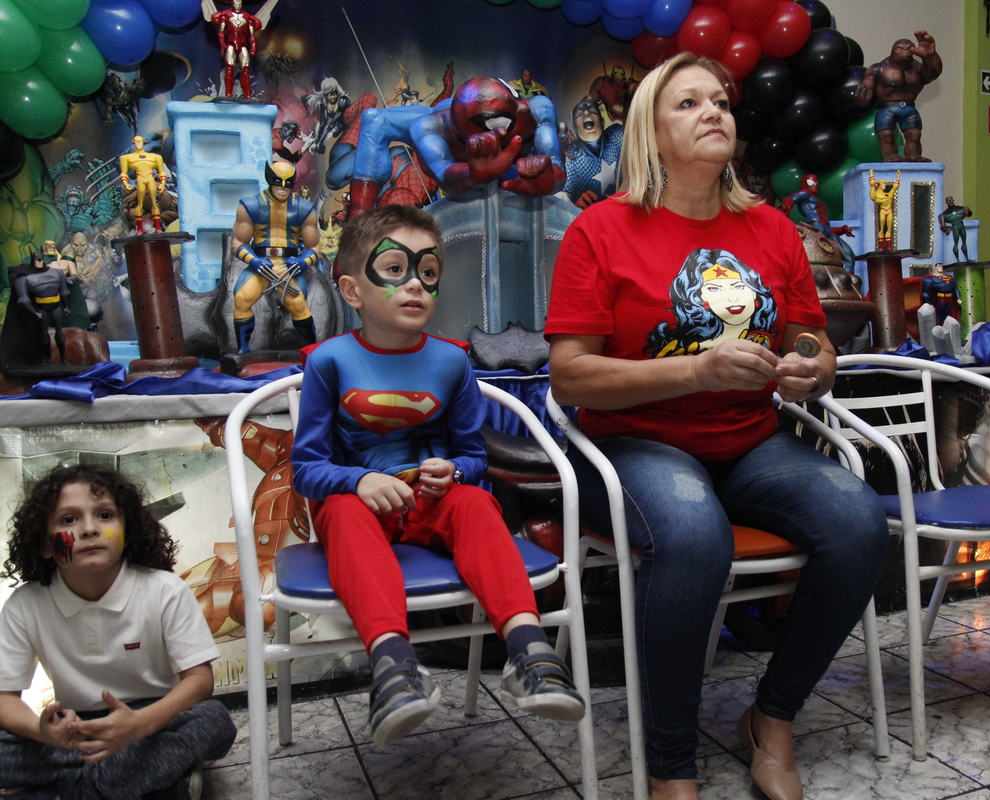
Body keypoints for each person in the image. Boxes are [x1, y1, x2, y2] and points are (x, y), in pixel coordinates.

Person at [545, 53, 889, 800]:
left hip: (749, 441)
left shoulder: (771, 229)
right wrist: (695, 372)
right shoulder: (599, 230)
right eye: (689, 103)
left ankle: (771, 717)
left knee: (860, 520)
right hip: (632, 445)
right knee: (695, 533)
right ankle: (672, 766)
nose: (713, 113)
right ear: (650, 131)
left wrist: (811, 368)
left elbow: (811, 340)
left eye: (721, 102)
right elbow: (569, 376)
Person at [291, 204, 586, 747]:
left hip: (431, 503)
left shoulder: (452, 362)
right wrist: (357, 482)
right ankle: (394, 668)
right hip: (360, 509)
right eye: (395, 269)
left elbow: (474, 458)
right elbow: (306, 470)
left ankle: (529, 652)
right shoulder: (328, 362)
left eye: (427, 273)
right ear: (352, 291)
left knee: (475, 502)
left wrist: (453, 470)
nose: (415, 285)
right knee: (343, 510)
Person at [0, 464, 236, 799]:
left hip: (154, 721)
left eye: (105, 515)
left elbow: (199, 681)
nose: (89, 529)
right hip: (75, 731)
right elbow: (4, 699)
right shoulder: (24, 604)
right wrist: (43, 733)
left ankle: (69, 788)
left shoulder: (164, 590)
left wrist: (139, 725)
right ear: (44, 544)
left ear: (128, 530)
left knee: (212, 720)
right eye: (68, 519)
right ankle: (144, 782)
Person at [230, 161, 321, 353]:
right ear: (269, 179)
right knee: (242, 299)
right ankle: (243, 350)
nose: (282, 187)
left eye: (288, 183)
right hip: (261, 264)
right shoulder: (251, 205)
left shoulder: (303, 209)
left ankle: (313, 348)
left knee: (298, 305)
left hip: (288, 265)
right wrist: (253, 260)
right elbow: (238, 243)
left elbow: (314, 248)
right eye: (278, 181)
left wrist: (303, 262)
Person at [854, 31, 943, 162]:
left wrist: (930, 56)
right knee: (887, 135)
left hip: (909, 107)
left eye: (909, 48)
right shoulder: (878, 69)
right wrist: (862, 99)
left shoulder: (918, 69)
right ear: (893, 51)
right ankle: (890, 156)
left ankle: (914, 156)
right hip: (886, 108)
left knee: (914, 135)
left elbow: (933, 74)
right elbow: (864, 95)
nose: (905, 51)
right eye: (900, 48)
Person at [118, 136, 169, 234]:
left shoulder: (155, 157)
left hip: (150, 179)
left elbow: (161, 172)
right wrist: (125, 183)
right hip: (140, 179)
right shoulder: (126, 158)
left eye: (140, 142)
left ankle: (158, 228)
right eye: (136, 142)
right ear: (133, 142)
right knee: (140, 204)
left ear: (144, 142)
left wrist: (162, 183)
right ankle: (140, 229)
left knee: (154, 203)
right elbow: (123, 173)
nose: (138, 144)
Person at [868, 168, 901, 251]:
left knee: (889, 229)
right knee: (882, 229)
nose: (884, 185)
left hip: (889, 211)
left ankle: (889, 247)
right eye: (883, 184)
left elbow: (894, 188)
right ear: (879, 184)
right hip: (883, 211)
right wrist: (871, 174)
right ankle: (881, 247)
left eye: (885, 184)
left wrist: (898, 177)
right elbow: (872, 189)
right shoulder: (877, 195)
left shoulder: (888, 194)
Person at [939, 196, 973, 262]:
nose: (950, 201)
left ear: (953, 200)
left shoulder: (962, 208)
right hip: (955, 227)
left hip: (961, 225)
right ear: (946, 202)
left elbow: (968, 213)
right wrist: (946, 230)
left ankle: (967, 259)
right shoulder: (943, 215)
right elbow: (942, 225)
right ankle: (958, 260)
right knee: (956, 243)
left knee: (964, 242)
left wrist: (968, 212)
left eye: (951, 200)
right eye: (948, 200)